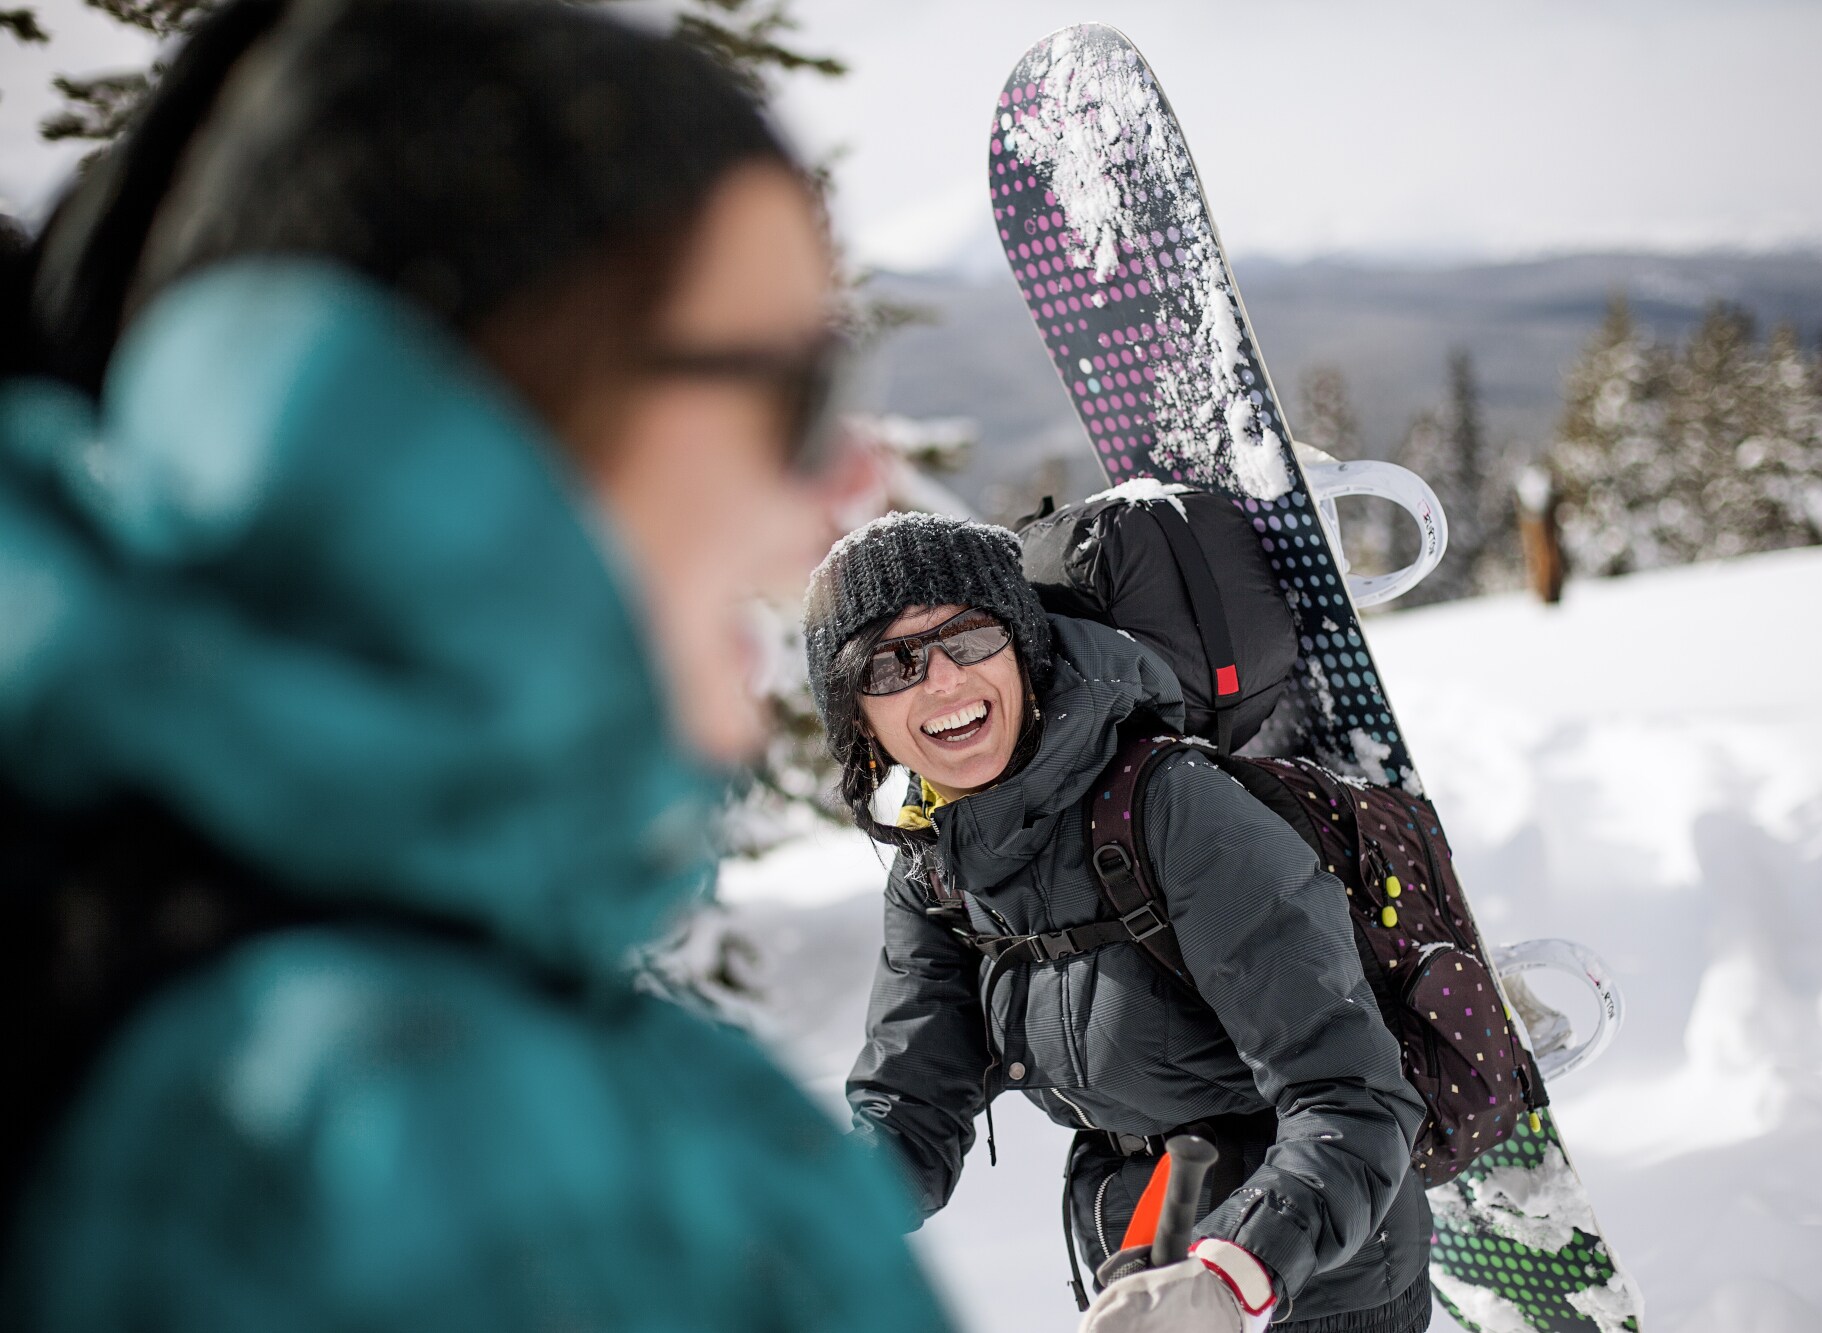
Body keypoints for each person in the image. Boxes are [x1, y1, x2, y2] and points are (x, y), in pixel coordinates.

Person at [0, 0, 948, 1329]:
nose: (845, 487)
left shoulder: (175, 967)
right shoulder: (414, 1124)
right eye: (787, 395)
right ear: (475, 406)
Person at [803, 513, 1434, 1333]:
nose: (945, 681)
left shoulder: (1173, 809)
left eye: (970, 636)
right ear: (859, 718)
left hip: (1314, 1282)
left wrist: (1232, 1274)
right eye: (894, 664)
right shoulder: (938, 864)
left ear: (1023, 649)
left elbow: (1353, 1091)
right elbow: (910, 1105)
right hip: (1137, 1260)